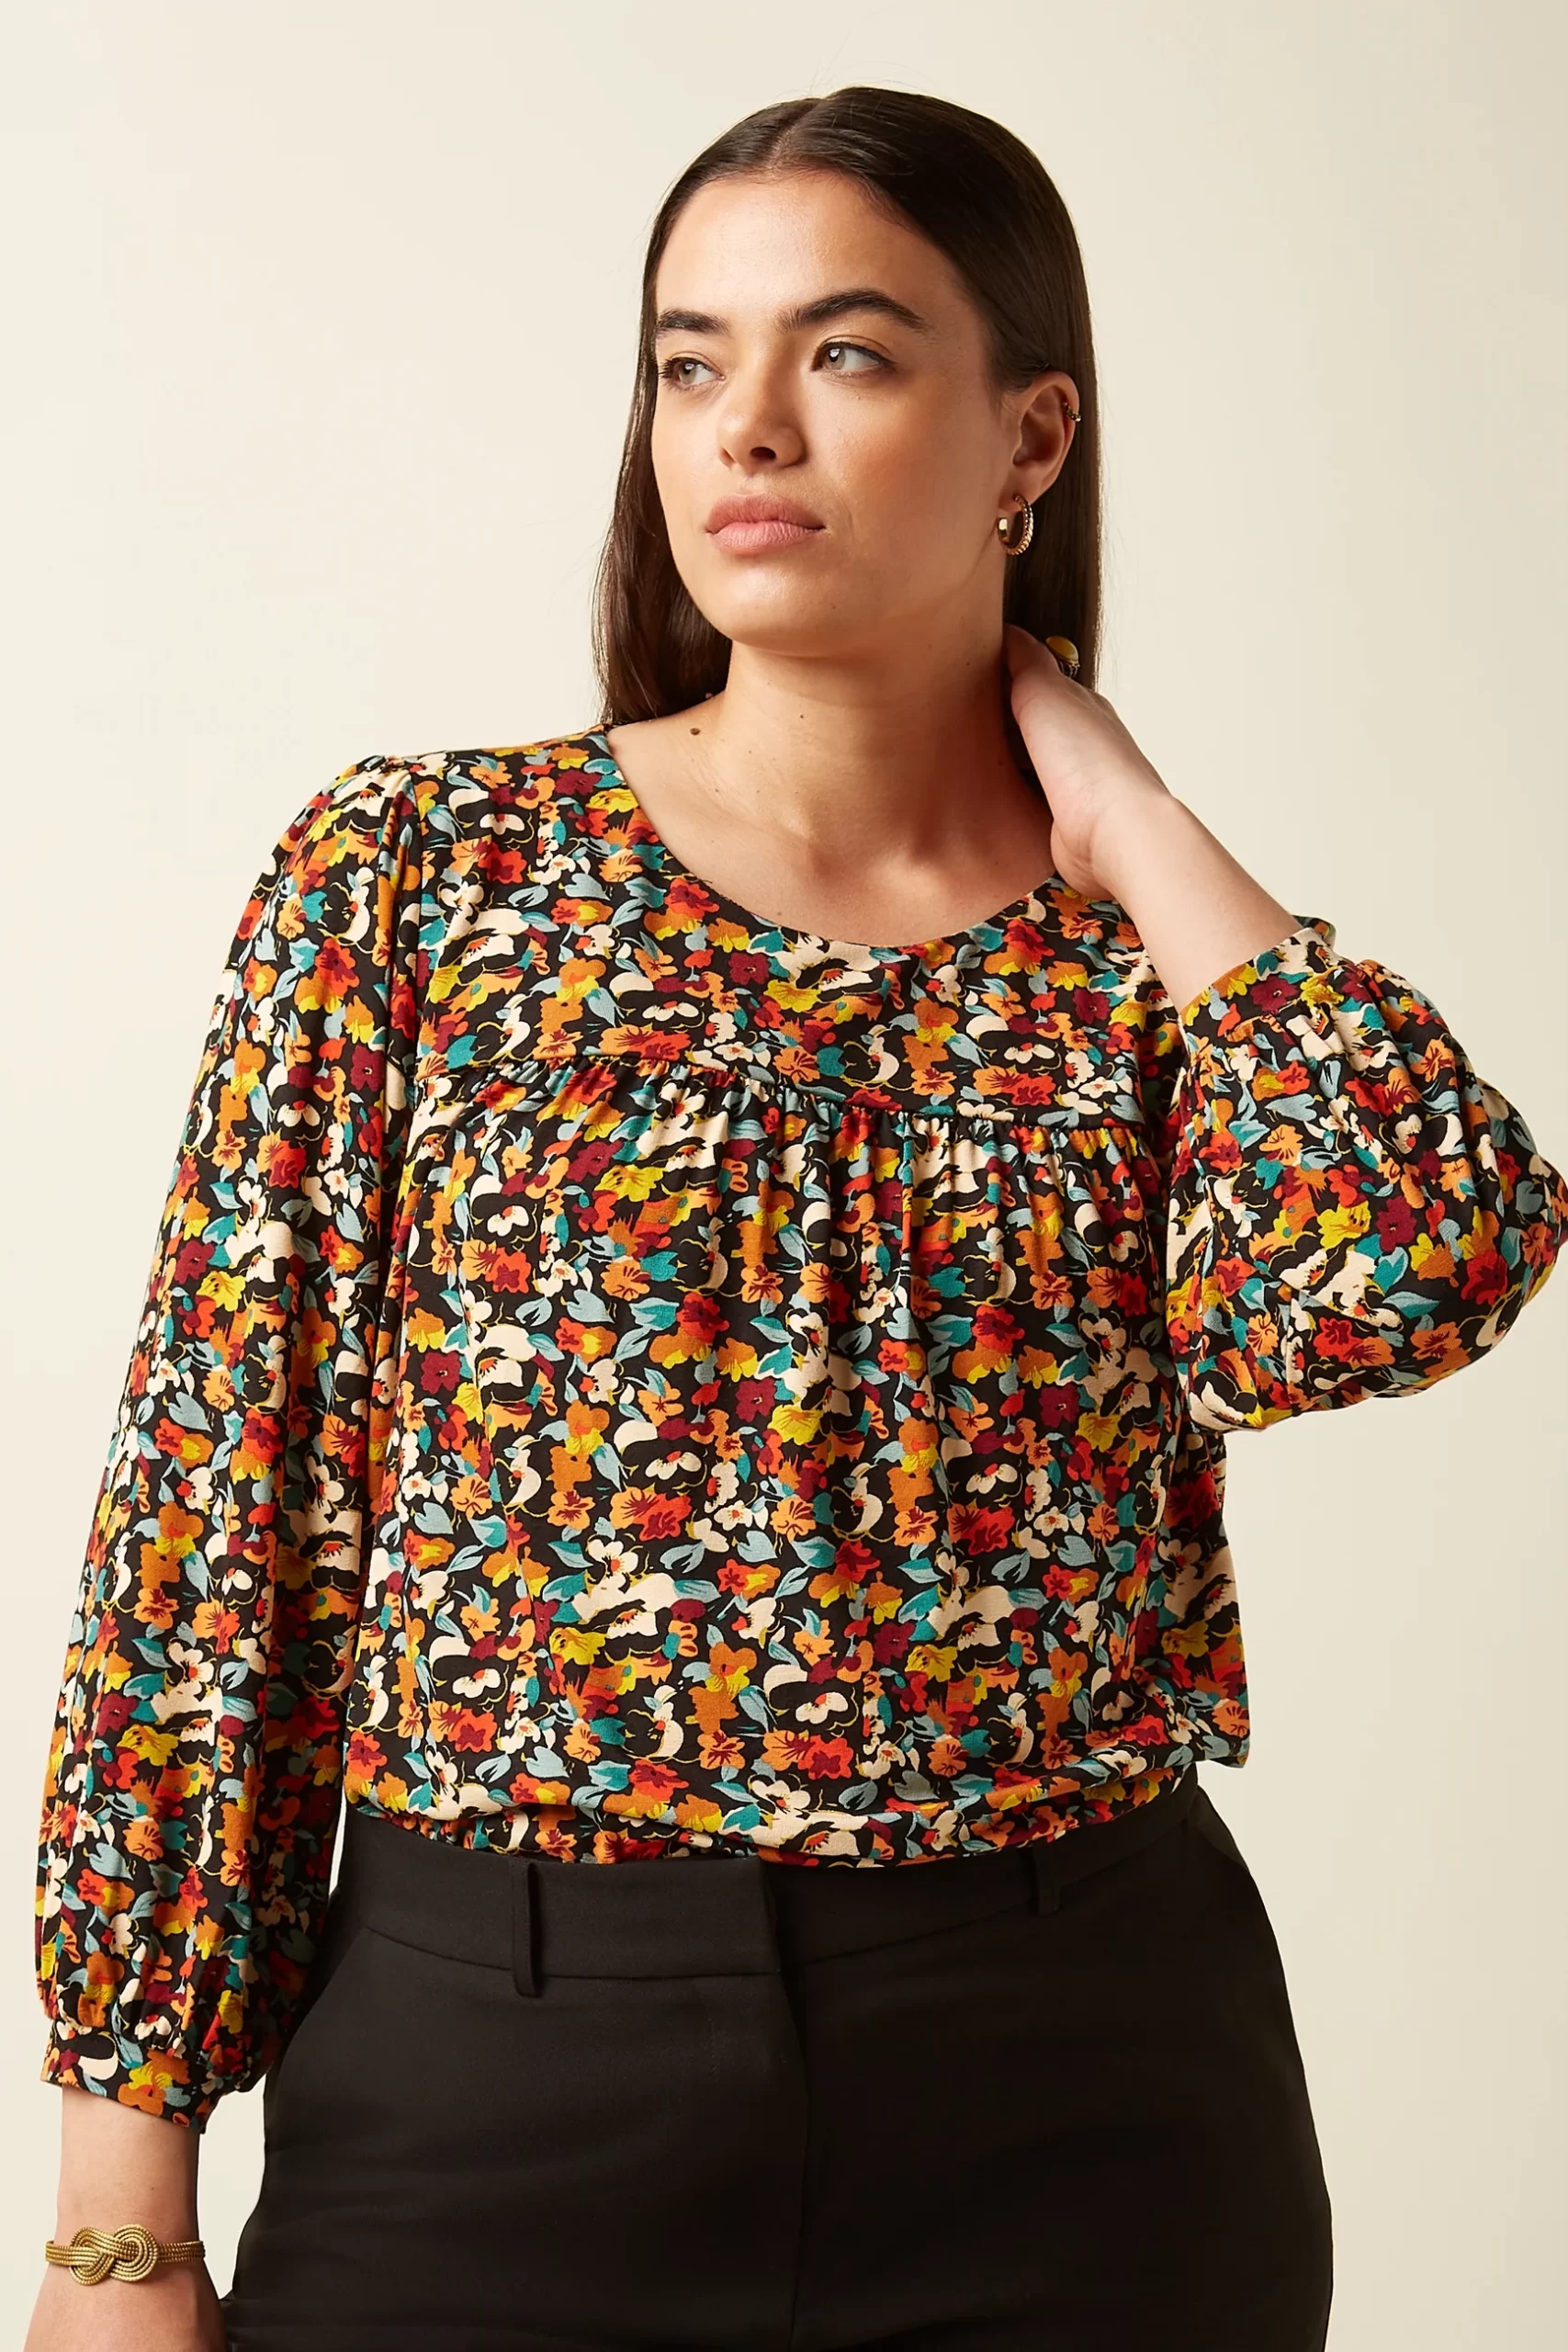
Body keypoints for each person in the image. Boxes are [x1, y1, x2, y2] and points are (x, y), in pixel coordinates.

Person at [27, 84, 1566, 2352]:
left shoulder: (1140, 971)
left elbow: (1412, 1264)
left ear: (1032, 435)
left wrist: (1132, 817)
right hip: (500, 2088)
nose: (745, 423)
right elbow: (212, 1531)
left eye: (843, 351)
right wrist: (118, 2221)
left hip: (1084, 2105)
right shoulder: (423, 880)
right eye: (689, 359)